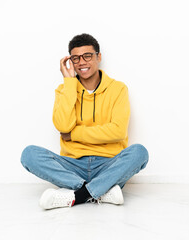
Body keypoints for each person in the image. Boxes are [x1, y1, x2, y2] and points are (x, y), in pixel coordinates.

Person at [21, 33, 149, 210]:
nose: (81, 62)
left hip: (108, 164)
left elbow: (118, 131)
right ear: (70, 62)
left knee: (139, 153)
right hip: (73, 165)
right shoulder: (64, 90)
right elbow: (63, 126)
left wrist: (74, 135)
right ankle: (103, 191)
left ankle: (79, 195)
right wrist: (69, 82)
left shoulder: (118, 89)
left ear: (98, 57)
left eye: (87, 56)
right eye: (75, 58)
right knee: (29, 155)